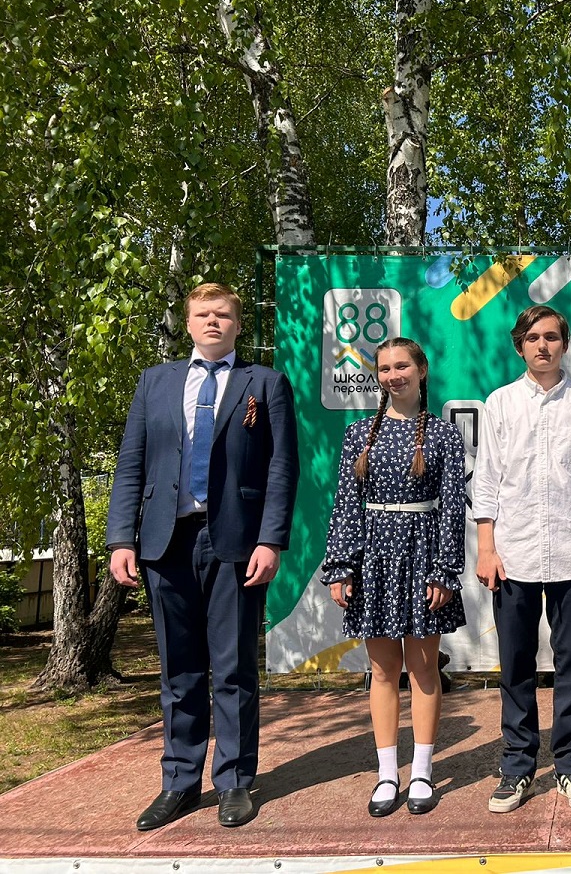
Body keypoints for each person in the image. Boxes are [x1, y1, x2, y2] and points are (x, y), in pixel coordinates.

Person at [106, 283, 299, 830]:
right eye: (202, 314)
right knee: (179, 670)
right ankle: (179, 782)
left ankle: (235, 781)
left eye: (223, 314)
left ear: (238, 323)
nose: (213, 322)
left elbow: (282, 467)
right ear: (188, 323)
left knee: (234, 669)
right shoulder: (156, 381)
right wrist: (121, 539)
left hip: (235, 543)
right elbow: (131, 463)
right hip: (164, 542)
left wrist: (270, 540)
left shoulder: (265, 382)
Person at [473, 305, 571, 814]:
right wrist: (486, 548)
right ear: (520, 346)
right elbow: (487, 480)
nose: (542, 346)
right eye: (533, 338)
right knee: (515, 664)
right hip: (512, 554)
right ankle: (516, 767)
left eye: (551, 337)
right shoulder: (500, 403)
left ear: (565, 344)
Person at [321, 338, 467, 817]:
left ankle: (422, 771)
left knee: (423, 668)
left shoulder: (443, 434)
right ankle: (388, 774)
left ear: (421, 370)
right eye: (384, 368)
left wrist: (444, 570)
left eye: (401, 366)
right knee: (382, 671)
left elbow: (452, 509)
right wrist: (341, 566)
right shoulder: (359, 433)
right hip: (374, 560)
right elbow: (346, 503)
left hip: (423, 556)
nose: (392, 375)